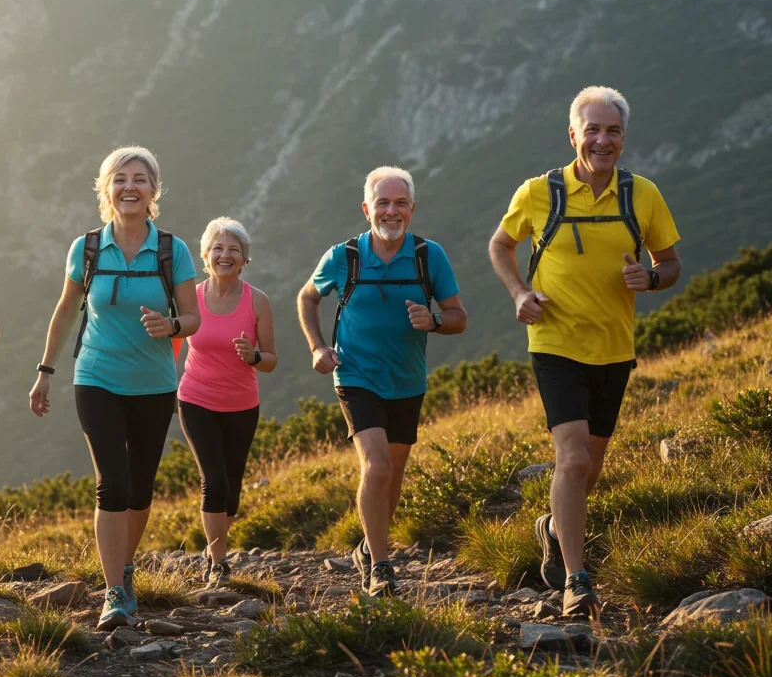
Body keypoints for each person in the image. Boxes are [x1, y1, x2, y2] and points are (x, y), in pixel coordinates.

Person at [488, 86, 681, 618]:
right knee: (571, 460)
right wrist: (520, 294)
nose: (602, 139)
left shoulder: (643, 195)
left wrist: (653, 277)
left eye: (612, 130)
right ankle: (577, 579)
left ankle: (552, 527)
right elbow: (500, 245)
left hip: (614, 347)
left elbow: (670, 261)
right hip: (555, 343)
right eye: (591, 130)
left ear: (623, 137)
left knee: (589, 467)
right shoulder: (538, 192)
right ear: (572, 135)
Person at [28, 146, 199, 630]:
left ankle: (123, 563)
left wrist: (172, 326)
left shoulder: (173, 250)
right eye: (120, 179)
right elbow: (65, 311)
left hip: (154, 383)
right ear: (106, 189)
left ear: (153, 190)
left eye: (139, 179)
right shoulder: (85, 248)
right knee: (113, 482)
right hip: (97, 377)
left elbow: (194, 316)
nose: (129, 187)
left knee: (141, 487)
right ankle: (115, 592)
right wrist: (45, 370)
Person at [297, 166, 466, 598]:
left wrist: (435, 320)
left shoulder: (430, 256)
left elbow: (458, 316)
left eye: (400, 204)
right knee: (377, 467)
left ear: (412, 209)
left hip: (407, 380)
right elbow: (307, 297)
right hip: (355, 374)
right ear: (367, 208)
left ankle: (370, 548)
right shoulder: (345, 256)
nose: (391, 211)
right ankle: (381, 565)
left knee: (393, 475)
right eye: (383, 203)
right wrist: (318, 347)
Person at [176, 217, 277, 587]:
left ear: (244, 259)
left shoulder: (258, 302)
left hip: (241, 405)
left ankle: (215, 549)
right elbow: (172, 338)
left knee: (232, 485)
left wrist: (252, 356)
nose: (225, 255)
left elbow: (270, 360)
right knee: (214, 480)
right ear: (205, 256)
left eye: (233, 249)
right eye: (218, 248)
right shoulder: (191, 298)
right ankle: (217, 562)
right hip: (195, 399)